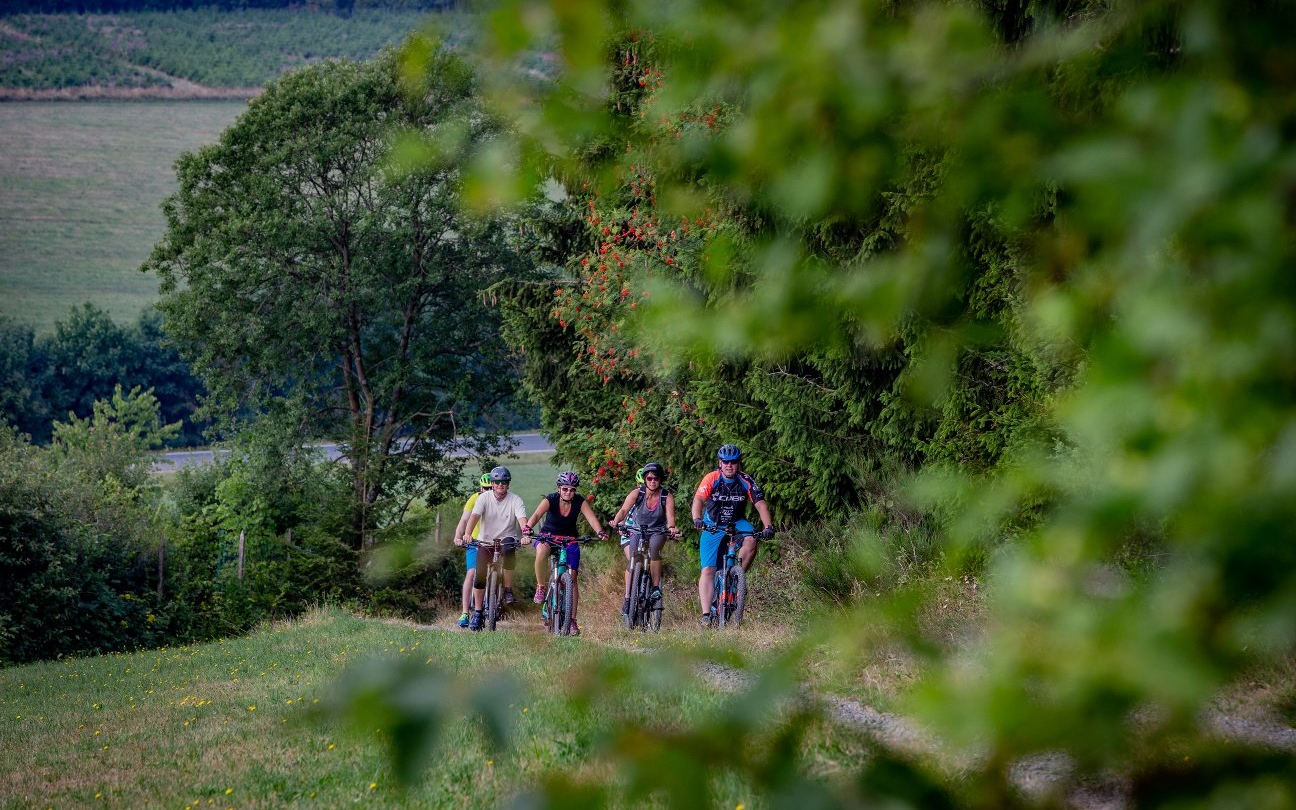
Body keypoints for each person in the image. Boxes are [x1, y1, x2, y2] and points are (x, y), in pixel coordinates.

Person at [690, 444, 775, 627]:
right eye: (725, 462)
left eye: (733, 462)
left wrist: (768, 526)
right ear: (720, 463)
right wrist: (697, 518)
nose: (729, 465)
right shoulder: (712, 478)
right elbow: (699, 499)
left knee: (752, 538)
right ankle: (706, 614)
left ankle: (737, 578)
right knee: (708, 570)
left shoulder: (746, 480)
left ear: (738, 463)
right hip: (713, 523)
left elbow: (760, 504)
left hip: (736, 521)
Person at [524, 471, 607, 637]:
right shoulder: (551, 499)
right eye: (565, 489)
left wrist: (600, 531)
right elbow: (536, 515)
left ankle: (572, 620)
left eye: (572, 489)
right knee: (541, 551)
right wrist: (527, 529)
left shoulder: (579, 501)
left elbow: (591, 518)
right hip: (548, 537)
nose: (568, 492)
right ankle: (541, 587)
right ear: (559, 488)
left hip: (569, 539)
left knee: (573, 577)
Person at [456, 465, 530, 631]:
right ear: (493, 483)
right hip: (485, 540)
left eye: (504, 482)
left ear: (508, 484)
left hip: (506, 538)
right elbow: (474, 517)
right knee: (480, 576)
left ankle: (508, 589)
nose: (500, 485)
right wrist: (467, 534)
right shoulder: (483, 498)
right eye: (497, 482)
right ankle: (478, 612)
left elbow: (522, 520)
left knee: (510, 548)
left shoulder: (515, 500)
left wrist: (526, 535)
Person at [610, 461, 681, 616]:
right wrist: (616, 522)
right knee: (633, 559)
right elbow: (623, 510)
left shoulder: (666, 496)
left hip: (657, 530)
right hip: (636, 529)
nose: (653, 481)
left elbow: (670, 519)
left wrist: (672, 528)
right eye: (649, 479)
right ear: (645, 479)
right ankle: (628, 598)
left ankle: (655, 588)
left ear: (660, 480)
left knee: (655, 551)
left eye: (656, 478)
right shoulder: (637, 493)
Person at [451, 472, 493, 628]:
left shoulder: (500, 500)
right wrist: (458, 536)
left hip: (494, 542)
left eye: (490, 488)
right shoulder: (475, 499)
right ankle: (465, 612)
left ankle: (494, 602)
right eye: (485, 488)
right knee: (471, 573)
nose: (488, 491)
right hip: (475, 541)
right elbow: (464, 520)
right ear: (480, 488)